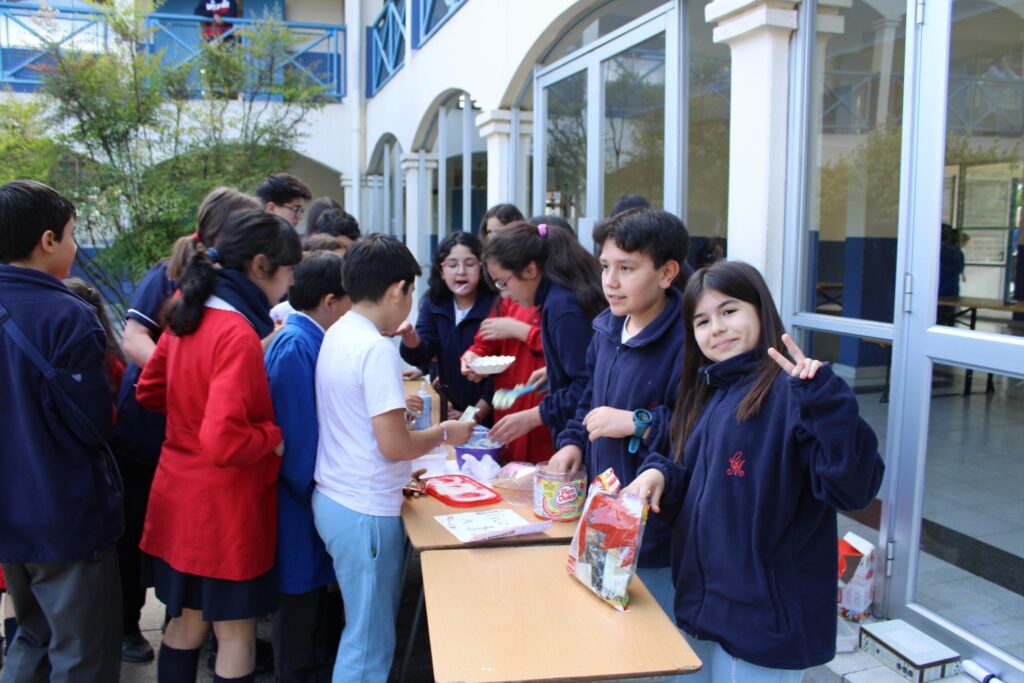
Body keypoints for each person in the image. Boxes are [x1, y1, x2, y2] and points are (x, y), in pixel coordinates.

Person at [624, 260, 885, 683]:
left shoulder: (795, 395)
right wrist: (661, 475)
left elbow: (853, 488)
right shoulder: (710, 391)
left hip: (765, 625)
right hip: (704, 609)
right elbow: (697, 479)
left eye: (729, 311)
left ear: (761, 310)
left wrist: (828, 405)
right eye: (702, 321)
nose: (717, 329)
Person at [136, 208, 302, 683]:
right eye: (289, 270)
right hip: (225, 509)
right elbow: (224, 441)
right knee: (236, 635)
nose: (291, 282)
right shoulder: (236, 330)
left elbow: (150, 390)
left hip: (177, 495)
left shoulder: (188, 310)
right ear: (261, 265)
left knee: (185, 623)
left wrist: (190, 417)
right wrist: (272, 437)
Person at [313, 235, 474, 682]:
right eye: (410, 293)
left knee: (364, 634)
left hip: (340, 498)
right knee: (368, 645)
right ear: (397, 289)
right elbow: (395, 446)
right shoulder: (375, 349)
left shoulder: (340, 330)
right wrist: (445, 433)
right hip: (363, 508)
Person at [114, 186, 261, 665]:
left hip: (183, 457)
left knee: (187, 610)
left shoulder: (213, 301)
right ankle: (127, 625)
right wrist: (190, 379)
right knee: (228, 626)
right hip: (172, 450)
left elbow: (161, 383)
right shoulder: (180, 285)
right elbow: (134, 339)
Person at [0, 180, 123, 682]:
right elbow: (94, 424)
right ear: (48, 240)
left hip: (10, 512)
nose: (73, 245)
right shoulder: (68, 316)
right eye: (72, 234)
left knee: (31, 636)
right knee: (82, 654)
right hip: (65, 512)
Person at [546, 209, 689, 626]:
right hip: (603, 512)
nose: (610, 281)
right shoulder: (607, 328)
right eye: (605, 266)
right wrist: (573, 441)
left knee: (650, 638)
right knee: (602, 624)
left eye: (626, 268)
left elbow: (696, 426)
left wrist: (636, 422)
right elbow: (589, 399)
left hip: (656, 529)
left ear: (666, 273)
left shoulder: (687, 340)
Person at [264, 252, 350, 683]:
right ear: (330, 301)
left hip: (310, 491)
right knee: (297, 605)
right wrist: (318, 489)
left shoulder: (308, 338)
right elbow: (295, 437)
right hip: (298, 497)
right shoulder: (296, 345)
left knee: (311, 602)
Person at [481, 221, 606, 446]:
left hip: (587, 436)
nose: (505, 295)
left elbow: (588, 384)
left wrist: (535, 415)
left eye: (503, 283)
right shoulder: (558, 298)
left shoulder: (562, 308)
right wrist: (554, 371)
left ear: (530, 270)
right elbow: (588, 361)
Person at [398, 232, 496, 422]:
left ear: (482, 267)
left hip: (486, 415)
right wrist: (410, 336)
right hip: (450, 409)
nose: (461, 271)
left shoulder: (495, 304)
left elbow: (497, 378)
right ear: (441, 271)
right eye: (452, 265)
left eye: (469, 264)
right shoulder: (434, 302)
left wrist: (470, 417)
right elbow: (423, 353)